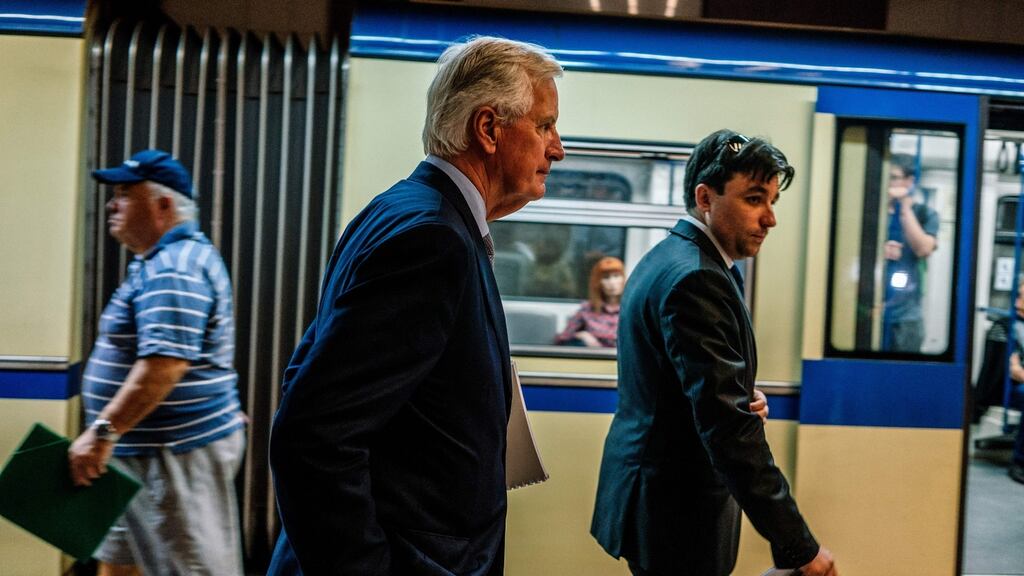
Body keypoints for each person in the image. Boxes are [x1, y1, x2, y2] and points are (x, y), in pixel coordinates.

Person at [267, 36, 564, 575]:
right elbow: (312, 437)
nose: (557, 148)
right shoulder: (433, 240)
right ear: (488, 129)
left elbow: (308, 378)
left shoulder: (400, 210)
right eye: (544, 126)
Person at [591, 130, 838, 576]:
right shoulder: (697, 279)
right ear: (706, 197)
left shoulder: (671, 257)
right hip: (677, 510)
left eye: (773, 201)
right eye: (754, 199)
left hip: (658, 498)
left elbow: (687, 383)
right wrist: (799, 546)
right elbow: (729, 431)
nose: (770, 218)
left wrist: (738, 393)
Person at [68, 150, 246, 576]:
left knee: (192, 569)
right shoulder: (159, 262)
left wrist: (102, 433)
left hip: (170, 454)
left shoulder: (174, 268)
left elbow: (165, 365)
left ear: (162, 205)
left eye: (124, 194)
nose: (112, 205)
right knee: (120, 562)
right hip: (140, 451)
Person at [882, 153, 939, 352]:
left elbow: (924, 249)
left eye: (894, 177)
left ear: (909, 181)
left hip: (907, 316)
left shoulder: (925, 214)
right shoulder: (869, 211)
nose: (888, 182)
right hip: (871, 310)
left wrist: (904, 208)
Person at [554, 256, 624, 348]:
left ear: (624, 279)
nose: (612, 282)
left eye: (616, 276)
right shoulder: (587, 309)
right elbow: (562, 338)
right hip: (593, 355)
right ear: (598, 282)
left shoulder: (629, 310)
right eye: (606, 277)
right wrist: (582, 335)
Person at [1004, 281, 1024, 484]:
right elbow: (1015, 371)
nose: (1019, 302)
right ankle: (1019, 461)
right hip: (1015, 386)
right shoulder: (1012, 327)